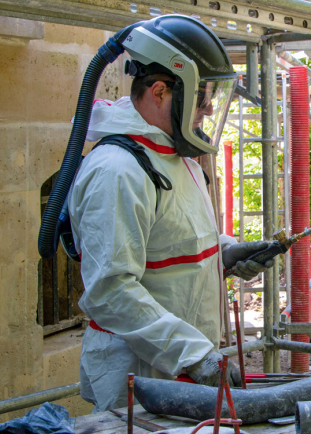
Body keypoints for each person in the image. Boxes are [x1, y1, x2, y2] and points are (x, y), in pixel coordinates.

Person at [67, 15, 272, 412]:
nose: (210, 109)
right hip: (139, 375)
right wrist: (195, 355)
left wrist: (223, 253)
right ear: (160, 91)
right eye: (202, 96)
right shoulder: (118, 170)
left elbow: (172, 240)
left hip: (181, 366)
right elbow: (111, 291)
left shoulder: (177, 156)